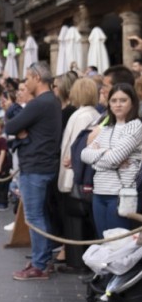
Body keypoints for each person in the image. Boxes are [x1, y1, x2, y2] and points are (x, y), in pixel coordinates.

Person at [6, 62, 63, 281]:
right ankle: (42, 259)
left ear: (37, 78)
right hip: (45, 165)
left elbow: (10, 127)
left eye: (28, 78)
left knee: (34, 216)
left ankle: (39, 265)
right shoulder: (52, 101)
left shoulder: (39, 103)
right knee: (40, 215)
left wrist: (22, 132)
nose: (25, 82)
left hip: (36, 166)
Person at [81, 83, 142, 236]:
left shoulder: (135, 126)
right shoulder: (107, 127)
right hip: (99, 191)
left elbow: (113, 159)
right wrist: (107, 152)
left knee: (119, 246)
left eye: (123, 100)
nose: (118, 104)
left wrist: (99, 158)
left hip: (121, 194)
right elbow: (83, 154)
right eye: (114, 100)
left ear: (132, 102)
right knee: (104, 243)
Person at [57, 77, 100, 272]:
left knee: (76, 220)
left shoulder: (83, 115)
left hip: (73, 175)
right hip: (76, 172)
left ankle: (77, 262)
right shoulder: (91, 114)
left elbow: (74, 146)